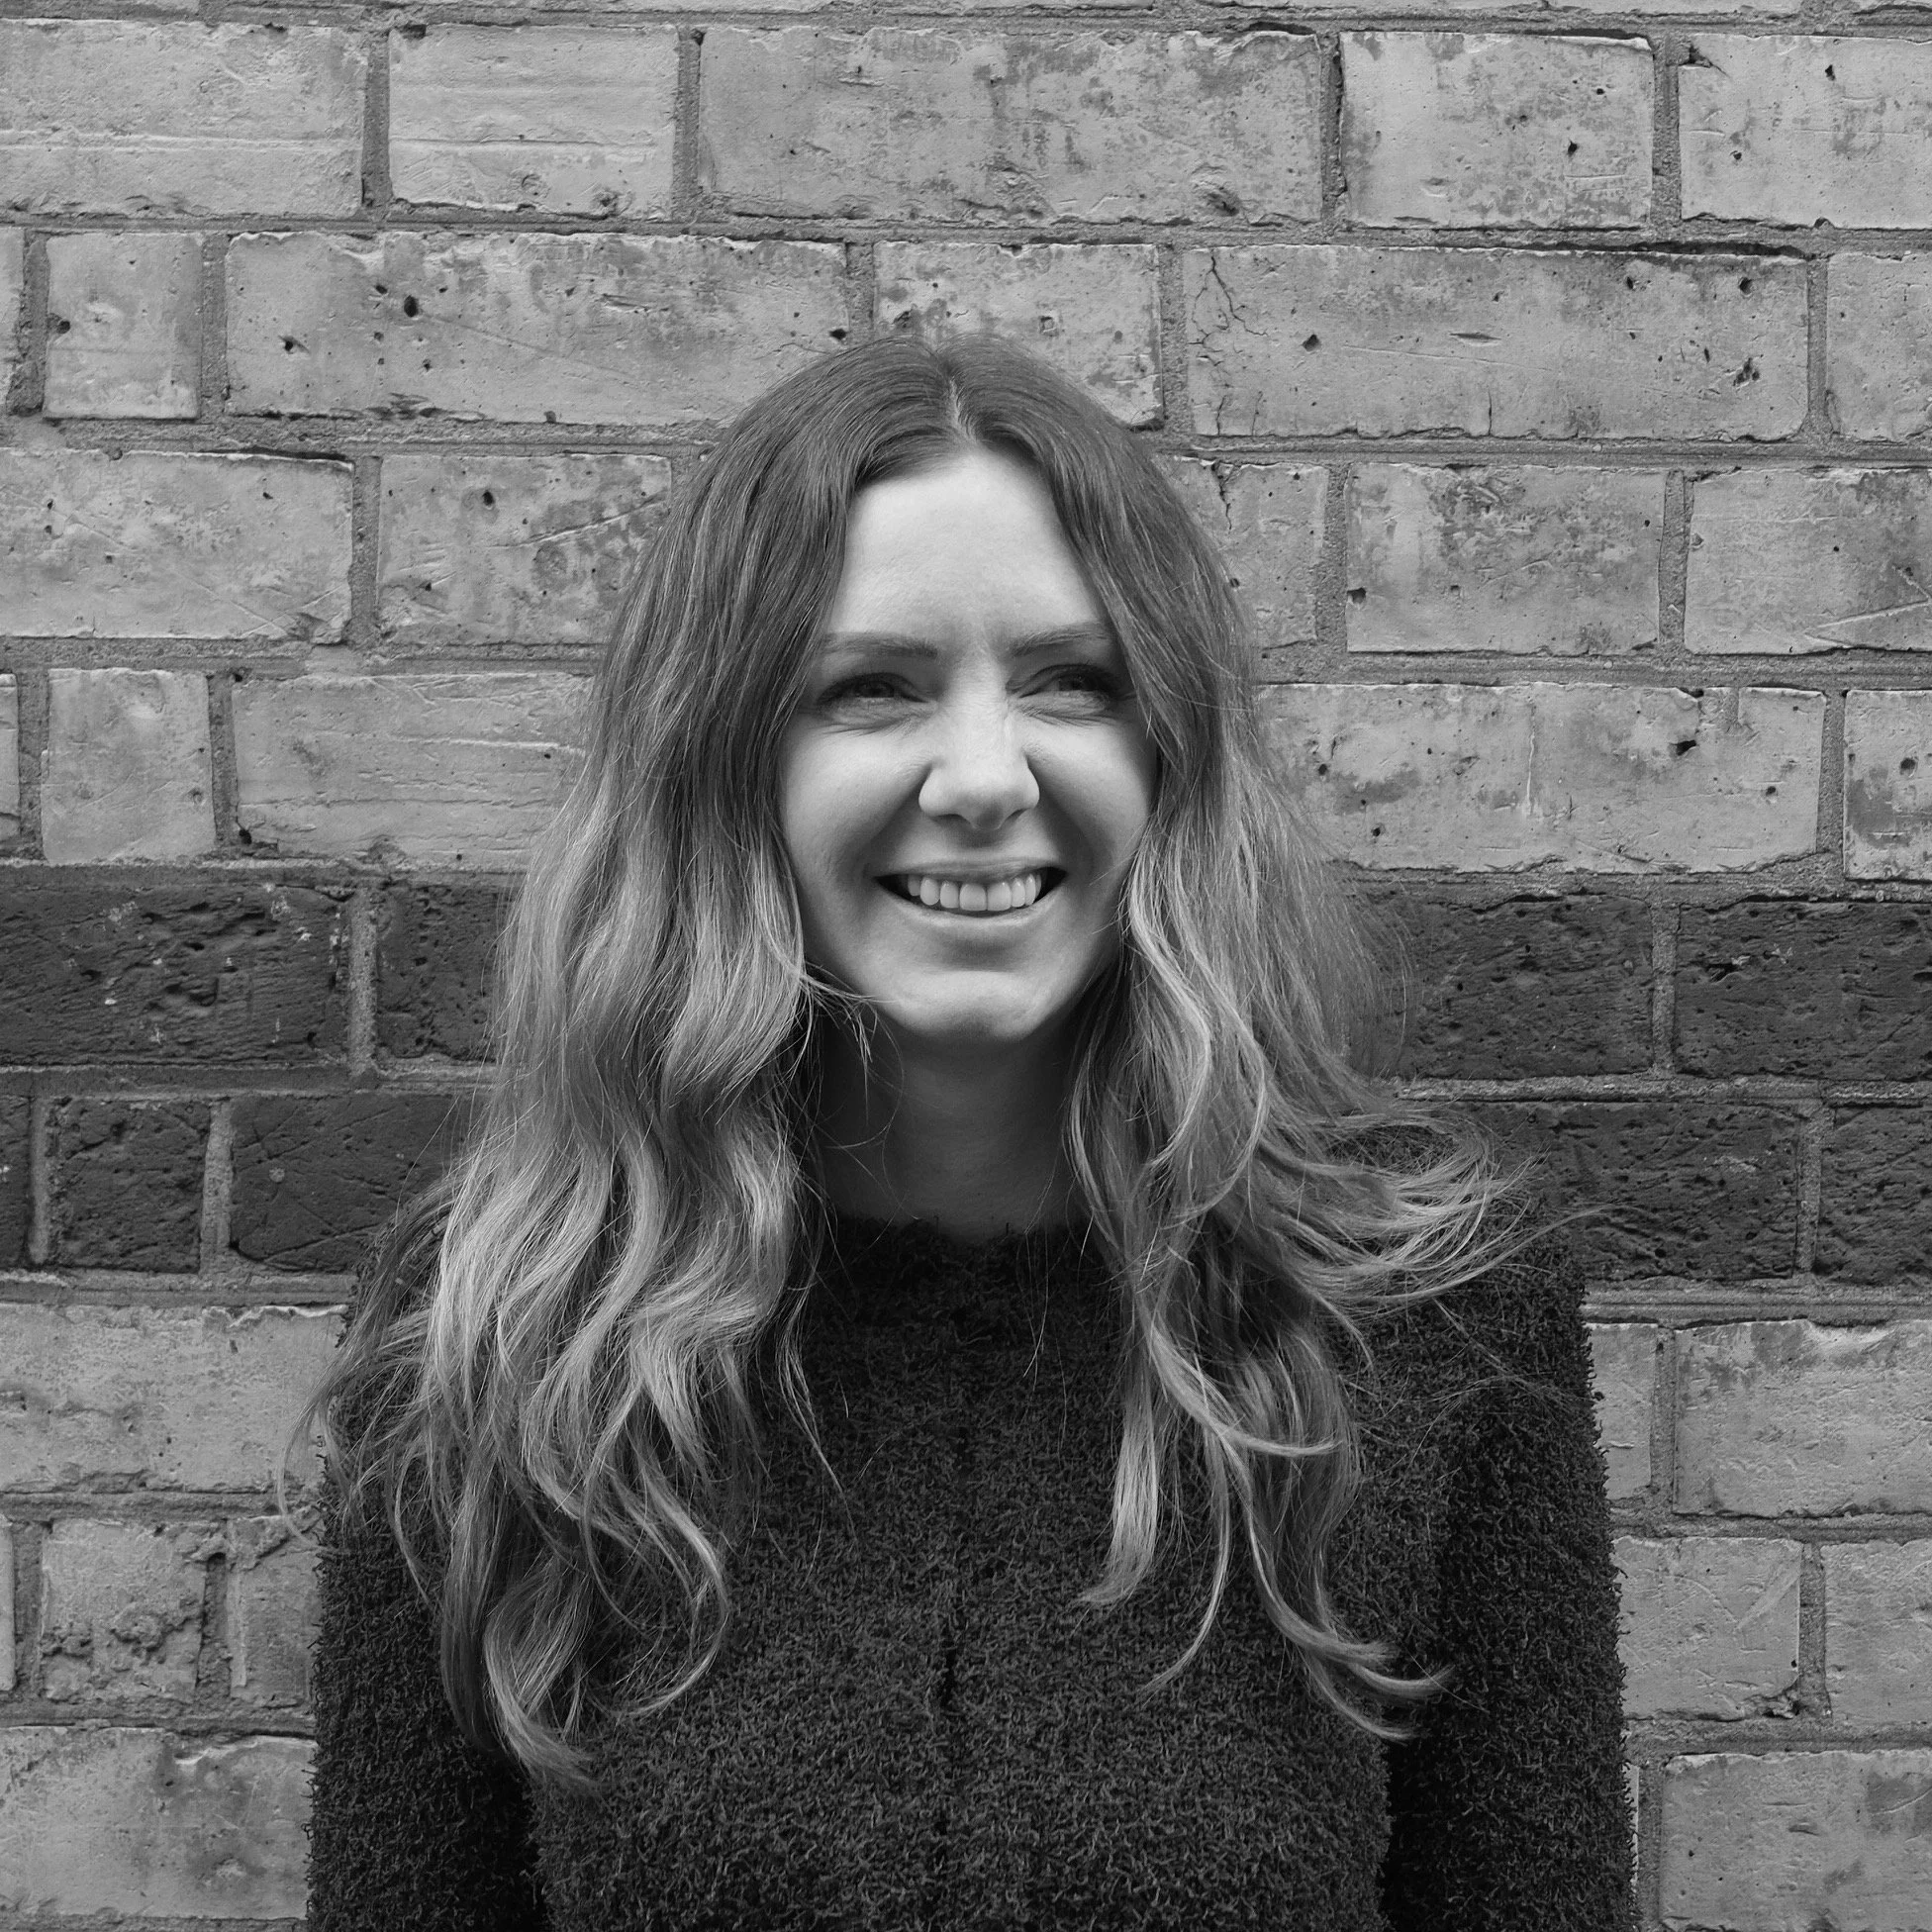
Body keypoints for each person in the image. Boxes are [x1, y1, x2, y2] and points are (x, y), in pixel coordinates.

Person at [298, 336, 1635, 1930]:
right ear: (724, 765)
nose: (987, 777)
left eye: (1071, 680)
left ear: (1168, 753)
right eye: (874, 686)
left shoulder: (1433, 1328)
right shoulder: (500, 1335)